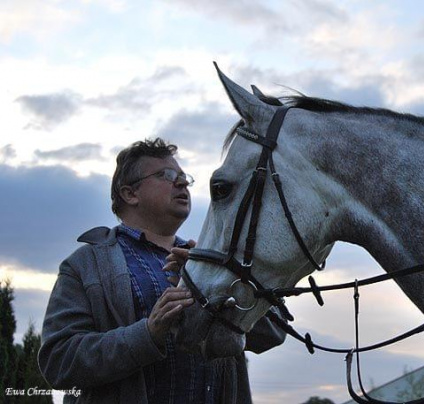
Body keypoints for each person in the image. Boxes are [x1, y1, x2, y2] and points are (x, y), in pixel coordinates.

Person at [39, 138, 286, 403]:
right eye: (165, 175)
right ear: (129, 194)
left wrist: (229, 282)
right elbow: (59, 361)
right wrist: (148, 334)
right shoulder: (85, 265)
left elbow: (273, 333)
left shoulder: (212, 262)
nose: (181, 183)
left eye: (183, 177)